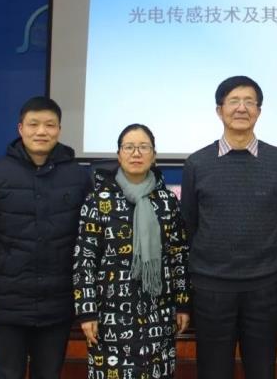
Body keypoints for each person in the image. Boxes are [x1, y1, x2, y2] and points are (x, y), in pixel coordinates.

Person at [0, 96, 91, 379]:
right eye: (33, 124)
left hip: (58, 306)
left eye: (49, 125)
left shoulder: (79, 178)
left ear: (59, 129)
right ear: (20, 128)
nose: (41, 131)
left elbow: (89, 243)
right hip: (5, 308)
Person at [181, 75, 277, 379]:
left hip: (262, 285)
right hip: (211, 286)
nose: (241, 108)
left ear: (259, 111)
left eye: (249, 102)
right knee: (213, 369)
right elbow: (190, 223)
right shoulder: (197, 163)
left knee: (261, 368)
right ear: (219, 110)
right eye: (234, 101)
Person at [74, 123, 190, 379]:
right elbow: (84, 260)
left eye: (143, 147)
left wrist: (183, 305)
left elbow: (179, 256)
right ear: (119, 155)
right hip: (110, 316)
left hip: (159, 313)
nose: (136, 153)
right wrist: (87, 312)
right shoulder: (98, 201)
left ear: (154, 155)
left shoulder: (168, 202)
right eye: (129, 147)